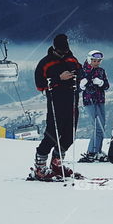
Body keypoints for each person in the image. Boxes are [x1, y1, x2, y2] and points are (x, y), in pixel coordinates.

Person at [31, 33, 82, 180]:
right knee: (52, 135)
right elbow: (40, 85)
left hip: (72, 101)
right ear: (54, 48)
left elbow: (81, 71)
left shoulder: (71, 59)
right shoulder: (45, 63)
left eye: (65, 50)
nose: (63, 54)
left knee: (69, 136)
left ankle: (56, 163)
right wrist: (59, 78)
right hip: (56, 103)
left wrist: (77, 75)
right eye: (61, 51)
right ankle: (40, 166)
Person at [78, 49, 110, 163]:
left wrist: (101, 83)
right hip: (90, 101)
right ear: (89, 60)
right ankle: (92, 151)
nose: (96, 63)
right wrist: (82, 85)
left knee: (101, 125)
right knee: (98, 126)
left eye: (98, 61)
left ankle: (97, 150)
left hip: (100, 100)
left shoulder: (101, 71)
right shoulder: (83, 71)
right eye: (94, 60)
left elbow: (107, 86)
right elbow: (77, 88)